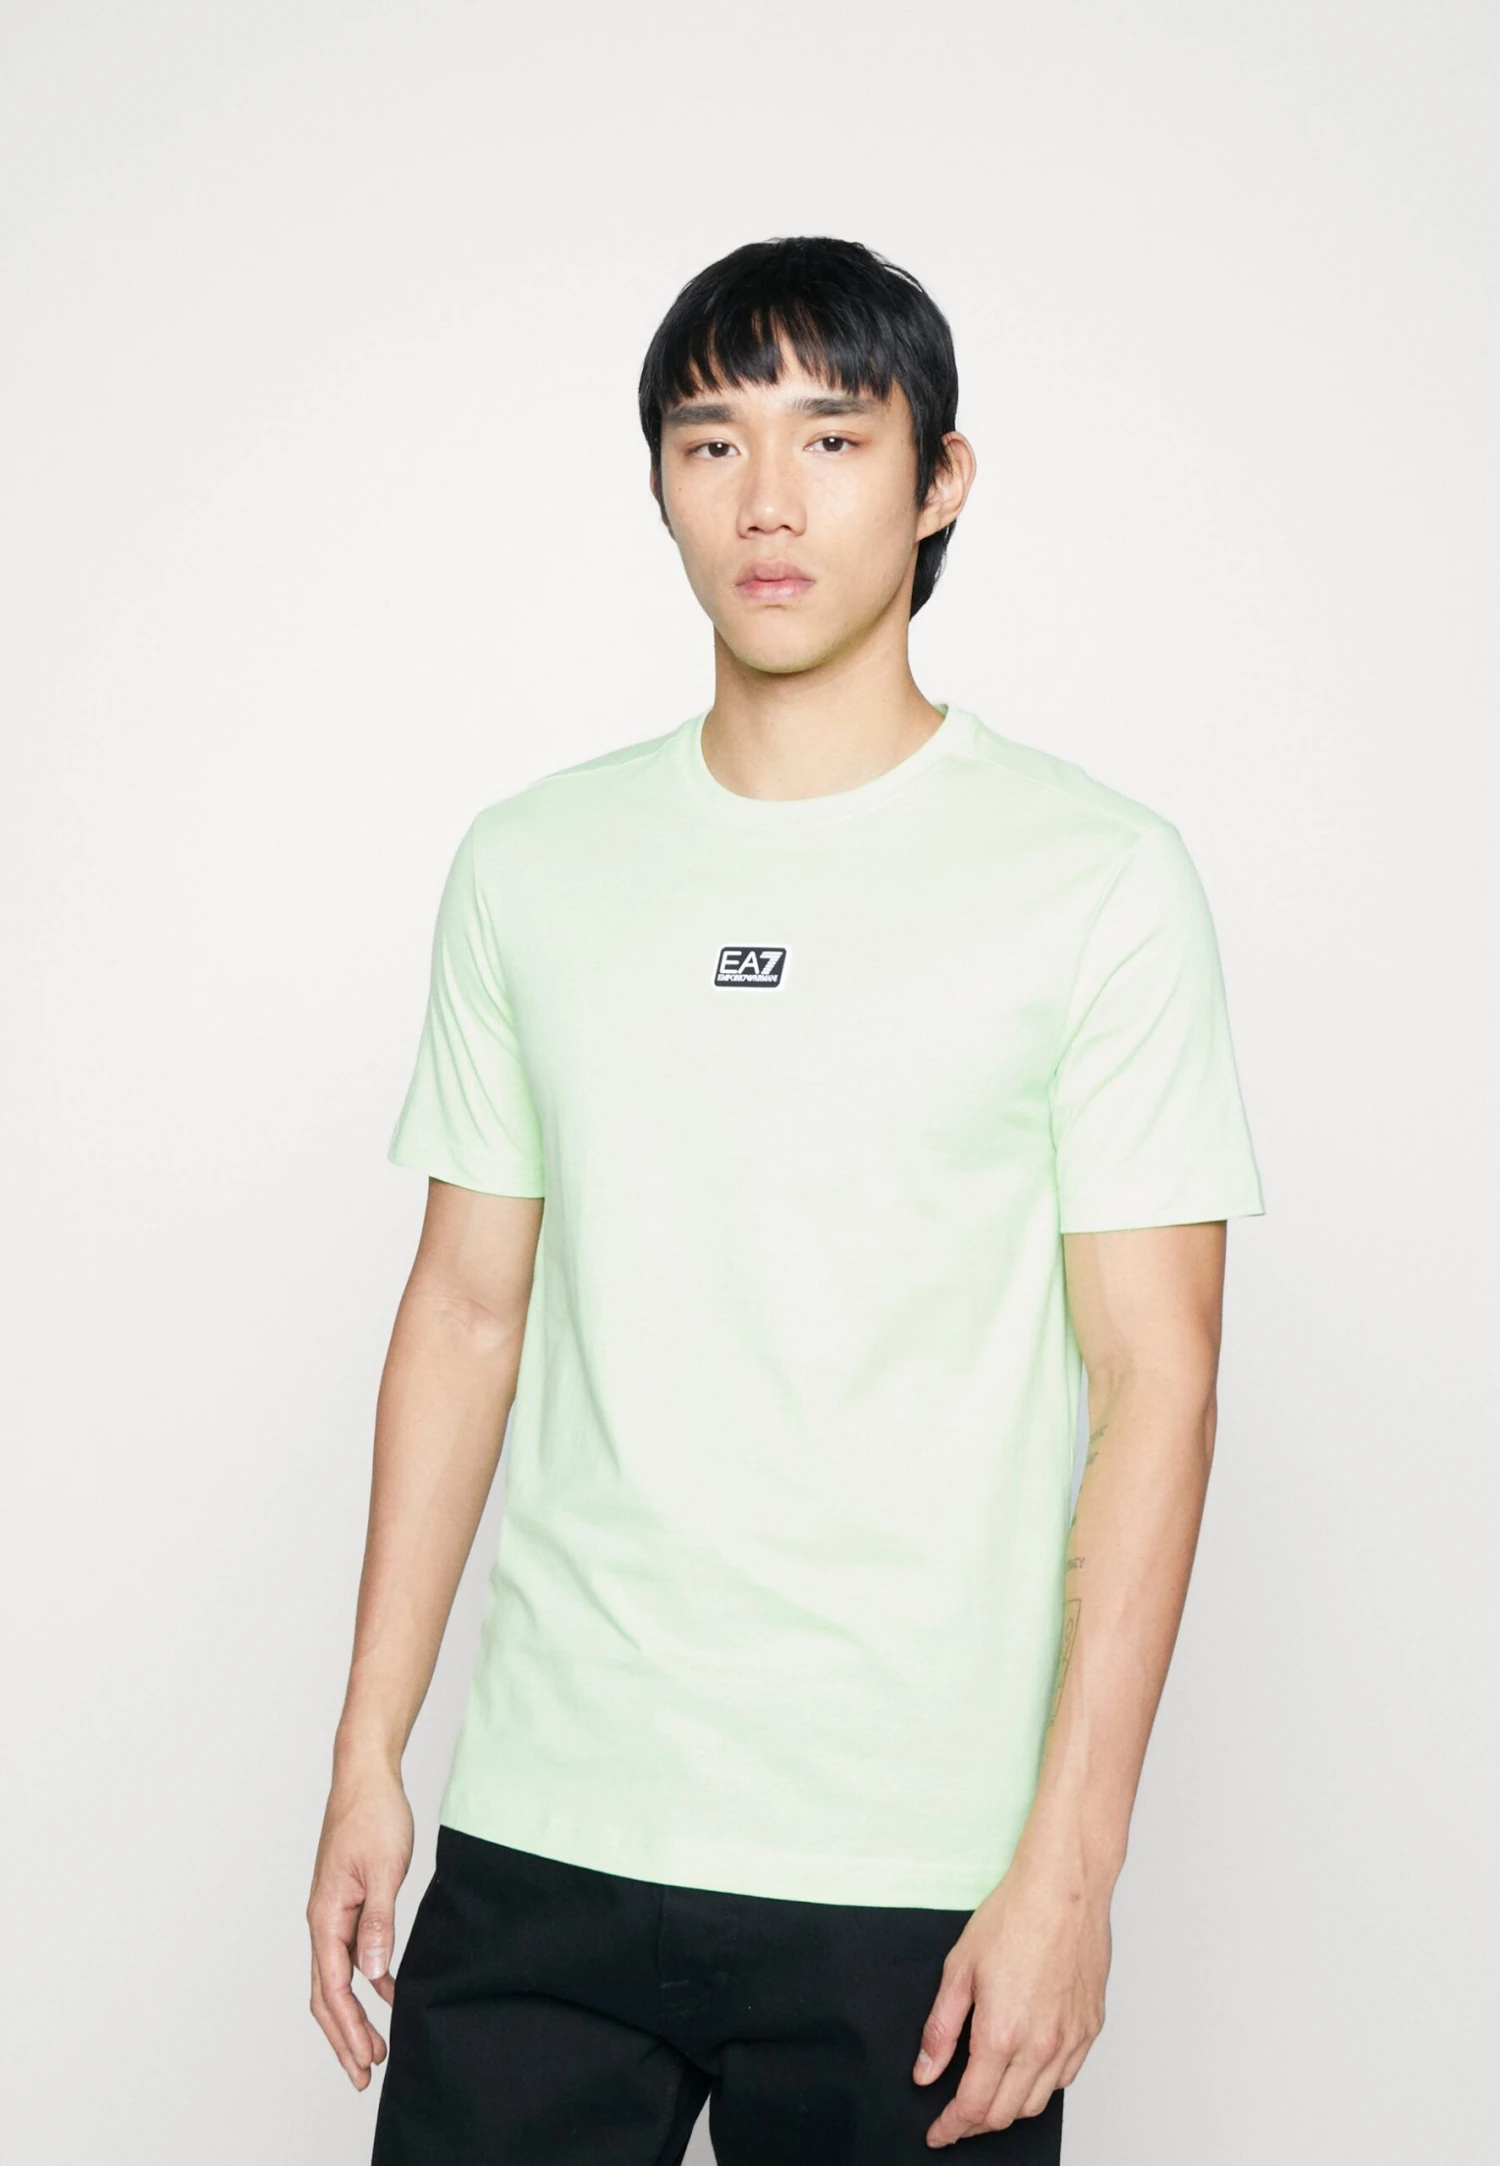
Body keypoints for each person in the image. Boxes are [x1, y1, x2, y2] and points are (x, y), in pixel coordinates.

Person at [306, 234, 1266, 2163]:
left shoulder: (1096, 878)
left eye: (832, 438)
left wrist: (1072, 1866)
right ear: (659, 483)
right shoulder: (533, 864)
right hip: (549, 1830)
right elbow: (466, 1313)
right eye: (710, 441)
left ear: (939, 481)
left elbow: (1156, 1384)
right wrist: (367, 1750)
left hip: (915, 1871)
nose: (766, 499)